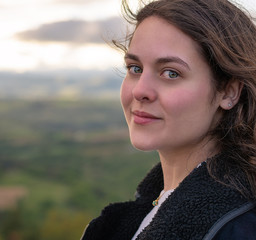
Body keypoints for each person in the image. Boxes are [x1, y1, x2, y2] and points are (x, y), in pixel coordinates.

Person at [81, 0, 256, 239]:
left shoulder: (241, 229)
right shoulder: (129, 220)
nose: (140, 91)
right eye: (135, 68)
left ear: (228, 92)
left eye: (171, 73)